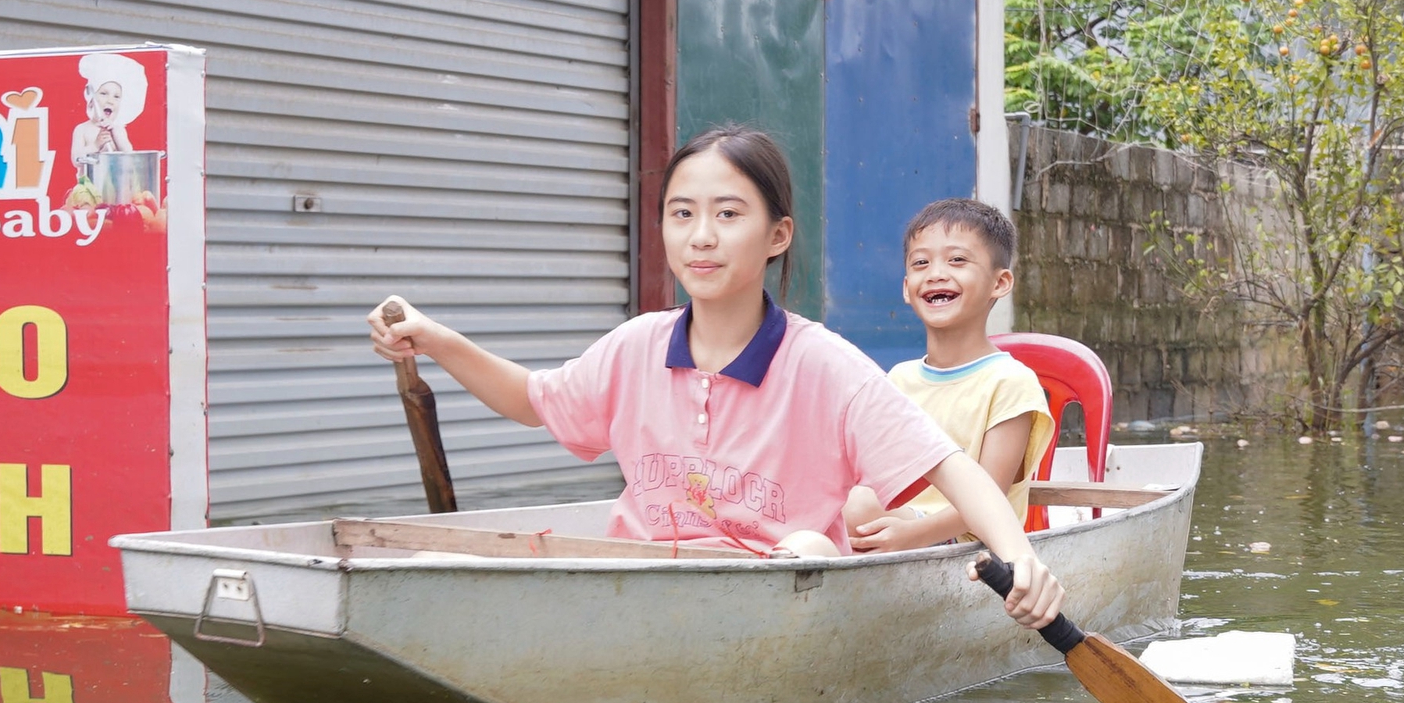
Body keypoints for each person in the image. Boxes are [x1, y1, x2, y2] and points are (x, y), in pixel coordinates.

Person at [366, 125, 1066, 629]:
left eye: (728, 215)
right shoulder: (637, 345)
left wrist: (1020, 558)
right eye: (682, 214)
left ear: (777, 236)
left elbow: (954, 468)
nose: (701, 235)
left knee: (810, 545)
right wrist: (435, 339)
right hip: (638, 596)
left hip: (775, 612)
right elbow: (530, 400)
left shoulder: (822, 362)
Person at [843, 199, 1054, 554]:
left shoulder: (1011, 382)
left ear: (1000, 282)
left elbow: (990, 498)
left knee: (859, 506)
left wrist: (910, 535)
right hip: (892, 523)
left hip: (969, 538)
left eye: (957, 260)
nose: (936, 273)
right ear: (907, 288)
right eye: (921, 263)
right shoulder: (899, 379)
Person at [71, 51, 147, 171]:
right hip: (89, 185)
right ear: (91, 98)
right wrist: (95, 145)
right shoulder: (82, 129)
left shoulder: (118, 129)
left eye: (116, 97)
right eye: (103, 93)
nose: (110, 101)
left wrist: (116, 134)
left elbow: (129, 156)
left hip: (115, 185)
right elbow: (76, 160)